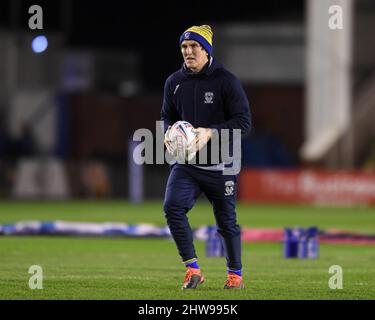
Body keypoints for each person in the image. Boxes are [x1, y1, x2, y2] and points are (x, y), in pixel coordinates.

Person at [161, 25, 251, 289]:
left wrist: (211, 132)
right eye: (184, 47)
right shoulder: (174, 82)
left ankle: (235, 276)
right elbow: (168, 115)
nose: (188, 52)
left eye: (194, 47)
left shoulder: (227, 81)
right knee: (172, 208)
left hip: (222, 165)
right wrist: (168, 132)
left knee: (226, 223)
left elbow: (244, 123)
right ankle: (193, 269)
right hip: (187, 164)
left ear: (206, 50)